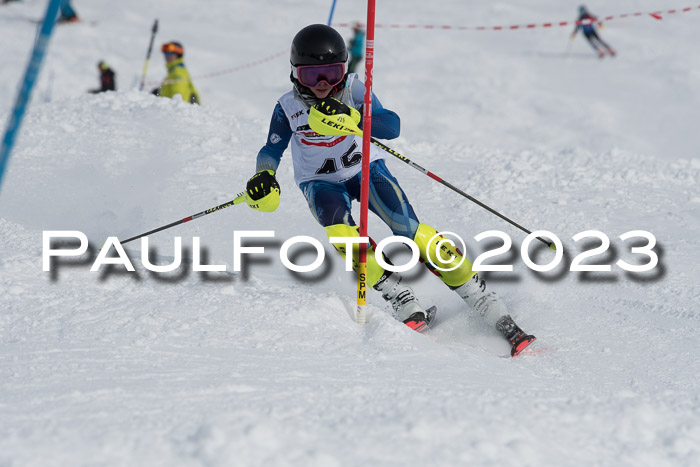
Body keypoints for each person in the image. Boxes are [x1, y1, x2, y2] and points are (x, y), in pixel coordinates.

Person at [239, 24, 535, 356]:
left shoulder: (352, 89)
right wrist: (264, 175)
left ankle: (480, 296)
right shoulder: (287, 106)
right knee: (345, 237)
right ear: (295, 75)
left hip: (365, 169)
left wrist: (354, 117)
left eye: (331, 73)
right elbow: (271, 150)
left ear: (344, 69)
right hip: (319, 183)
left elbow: (390, 125)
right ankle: (401, 296)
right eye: (312, 75)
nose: (323, 84)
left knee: (410, 231)